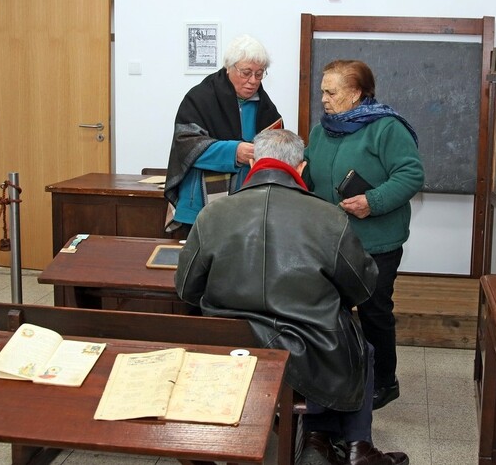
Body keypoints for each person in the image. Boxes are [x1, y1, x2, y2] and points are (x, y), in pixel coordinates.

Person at [176, 129, 409, 465]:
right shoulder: (328, 217)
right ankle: (354, 445)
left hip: (231, 346)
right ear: (300, 167)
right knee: (358, 343)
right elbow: (361, 287)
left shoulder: (213, 214)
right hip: (309, 348)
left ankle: (319, 436)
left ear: (253, 163)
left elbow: (187, 288)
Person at [304, 60, 424, 411]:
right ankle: (339, 377)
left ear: (356, 93)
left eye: (331, 92)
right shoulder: (321, 131)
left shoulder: (386, 128)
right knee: (331, 311)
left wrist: (372, 201)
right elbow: (310, 174)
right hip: (331, 240)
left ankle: (384, 382)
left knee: (374, 313)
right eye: (322, 91)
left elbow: (411, 175)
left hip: (376, 244)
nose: (324, 99)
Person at [164, 34, 282, 238]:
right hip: (200, 204)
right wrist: (234, 152)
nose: (253, 81)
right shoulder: (200, 98)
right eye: (246, 73)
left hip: (248, 204)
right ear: (229, 67)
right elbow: (187, 145)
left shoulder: (265, 106)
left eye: (259, 73)